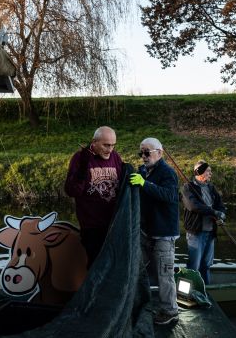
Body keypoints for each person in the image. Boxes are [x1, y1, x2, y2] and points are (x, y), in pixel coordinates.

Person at [129, 137, 179, 325]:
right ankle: (141, 303)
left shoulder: (168, 173)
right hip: (145, 232)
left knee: (165, 275)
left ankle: (170, 310)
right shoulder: (144, 171)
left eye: (147, 152)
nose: (143, 156)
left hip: (164, 234)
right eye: (141, 153)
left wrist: (144, 184)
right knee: (139, 270)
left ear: (159, 152)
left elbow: (170, 195)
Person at [64, 126, 123, 268]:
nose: (110, 149)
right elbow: (72, 191)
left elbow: (122, 184)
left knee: (114, 267)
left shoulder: (115, 157)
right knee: (96, 267)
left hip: (114, 225)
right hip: (92, 227)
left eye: (113, 145)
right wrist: (83, 167)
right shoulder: (80, 158)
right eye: (106, 145)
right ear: (94, 142)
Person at [180, 160, 226, 285]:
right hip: (195, 233)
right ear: (199, 172)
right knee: (193, 266)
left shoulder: (211, 188)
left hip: (210, 232)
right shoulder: (188, 188)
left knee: (206, 264)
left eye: (210, 171)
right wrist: (213, 212)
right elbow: (193, 206)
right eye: (208, 171)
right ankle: (187, 293)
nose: (210, 174)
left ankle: (206, 290)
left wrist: (221, 215)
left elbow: (220, 205)